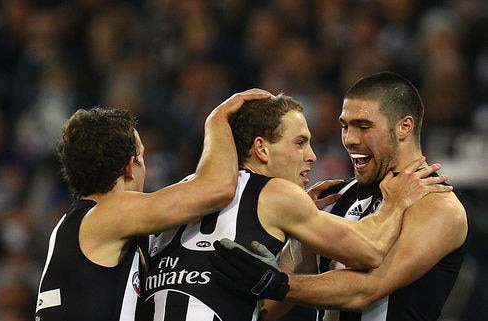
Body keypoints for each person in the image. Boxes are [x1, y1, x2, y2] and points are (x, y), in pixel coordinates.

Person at [139, 93, 452, 321]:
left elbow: (260, 312)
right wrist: (395, 203)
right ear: (261, 148)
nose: (312, 156)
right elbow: (369, 250)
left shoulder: (179, 194)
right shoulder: (276, 194)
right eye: (300, 142)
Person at [211, 72, 469, 321]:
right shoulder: (331, 198)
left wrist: (275, 282)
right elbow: (267, 310)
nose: (350, 139)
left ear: (404, 126)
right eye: (345, 126)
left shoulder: (438, 205)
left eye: (364, 126)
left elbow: (365, 291)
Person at [34, 88, 275, 321]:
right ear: (130, 166)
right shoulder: (109, 214)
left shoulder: (78, 225)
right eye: (142, 157)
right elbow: (218, 187)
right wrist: (217, 120)